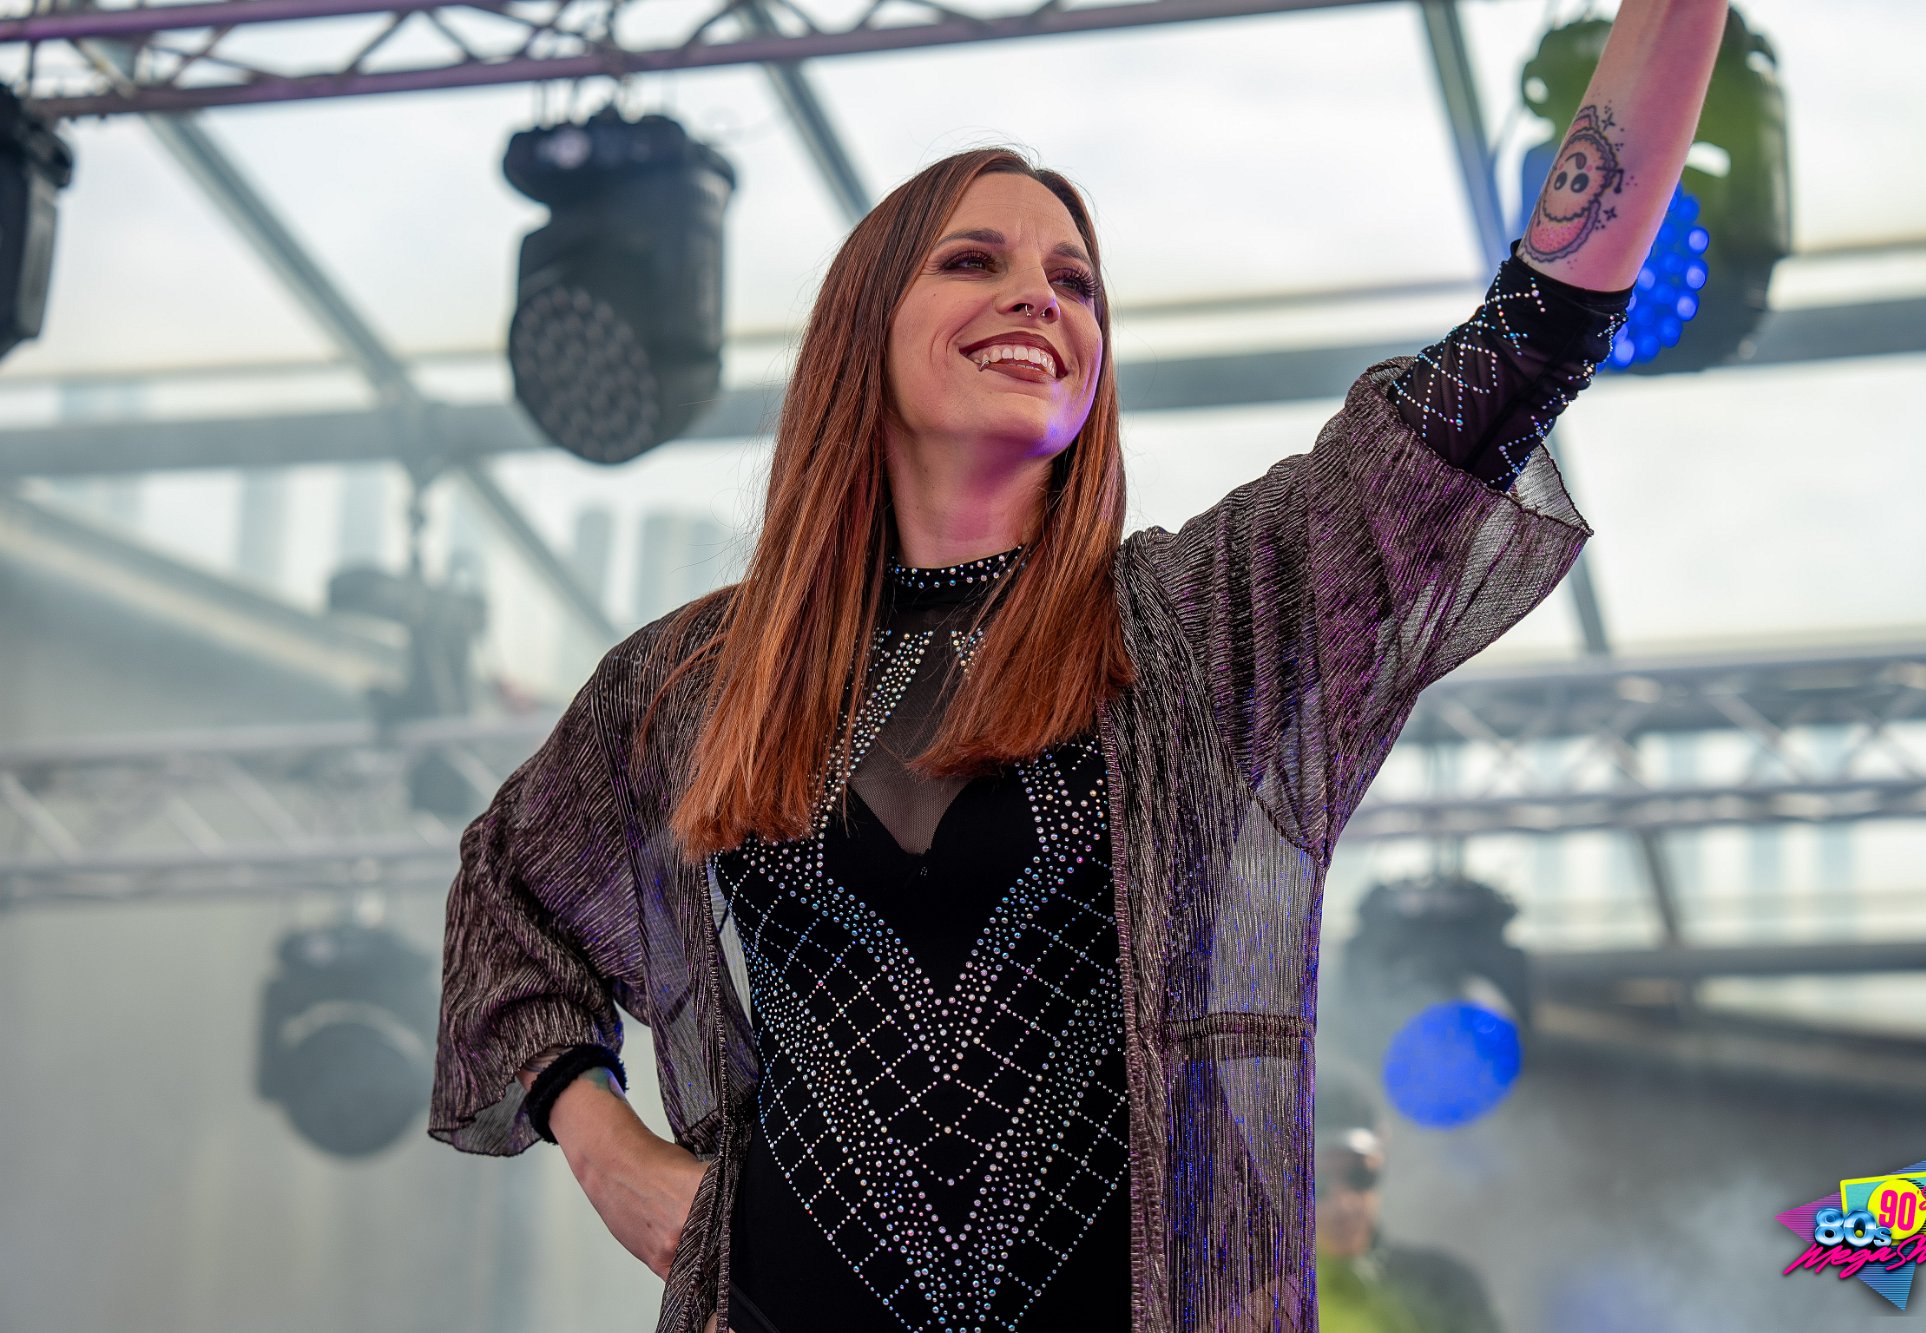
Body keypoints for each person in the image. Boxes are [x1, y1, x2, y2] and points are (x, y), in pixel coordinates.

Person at [428, 5, 1730, 1329]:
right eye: (973, 260)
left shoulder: (1202, 620)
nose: (1037, 296)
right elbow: (503, 894)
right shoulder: (704, 677)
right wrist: (605, 1146)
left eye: (1074, 281)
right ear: (861, 329)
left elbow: (1528, 337)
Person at [1315, 1069, 1502, 1333]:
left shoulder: (1443, 1287)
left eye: (1360, 1177)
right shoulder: (1266, 1302)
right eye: (1316, 1184)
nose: (1343, 1204)